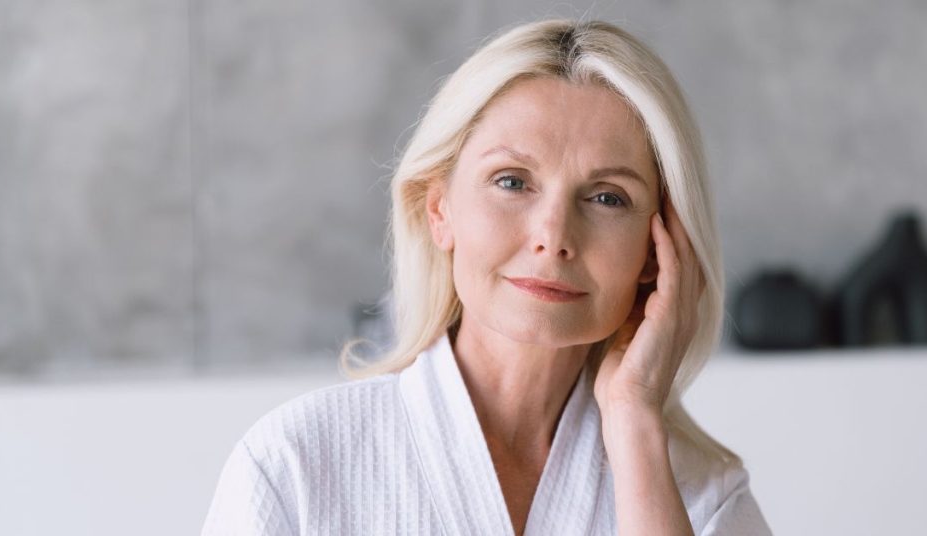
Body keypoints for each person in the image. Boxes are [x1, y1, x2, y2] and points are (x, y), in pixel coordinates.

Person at [202, 18, 772, 536]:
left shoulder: (704, 499)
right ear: (440, 210)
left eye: (606, 197)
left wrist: (635, 422)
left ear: (658, 249)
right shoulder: (294, 466)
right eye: (512, 181)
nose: (553, 236)